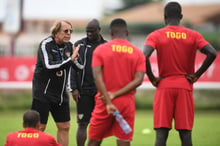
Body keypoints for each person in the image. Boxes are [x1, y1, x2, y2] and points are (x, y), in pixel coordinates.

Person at [143, 2, 217, 146]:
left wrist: (152, 78)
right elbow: (212, 53)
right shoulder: (193, 35)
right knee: (185, 134)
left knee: (161, 135)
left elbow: (144, 55)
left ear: (164, 17)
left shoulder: (156, 35)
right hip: (185, 86)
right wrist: (197, 74)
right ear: (181, 16)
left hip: (164, 86)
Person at [87, 18, 146, 146]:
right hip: (126, 102)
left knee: (93, 141)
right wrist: (116, 95)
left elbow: (97, 77)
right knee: (123, 141)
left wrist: (109, 100)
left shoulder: (101, 50)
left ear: (111, 32)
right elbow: (139, 80)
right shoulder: (138, 53)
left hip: (104, 100)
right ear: (127, 32)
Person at [31, 20, 84, 146]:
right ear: (56, 32)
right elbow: (49, 66)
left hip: (60, 94)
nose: (69, 33)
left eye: (71, 31)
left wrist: (75, 59)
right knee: (39, 128)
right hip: (43, 93)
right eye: (66, 31)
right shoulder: (46, 44)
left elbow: (80, 67)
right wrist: (70, 60)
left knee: (65, 126)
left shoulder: (69, 46)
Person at [69, 19, 107, 146]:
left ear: (99, 30)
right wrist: (73, 88)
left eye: (92, 31)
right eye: (87, 32)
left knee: (99, 125)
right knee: (82, 123)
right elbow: (72, 67)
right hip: (83, 91)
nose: (89, 34)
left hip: (100, 92)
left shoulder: (106, 47)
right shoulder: (79, 45)